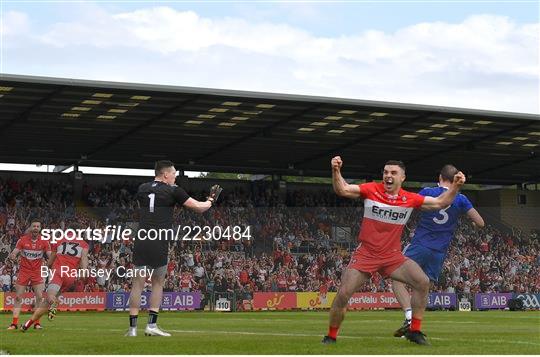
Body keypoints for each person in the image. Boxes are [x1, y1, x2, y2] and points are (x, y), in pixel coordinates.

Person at [323, 157, 465, 345]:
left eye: (393, 173)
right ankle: (331, 336)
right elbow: (342, 189)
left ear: (402, 177)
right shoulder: (371, 189)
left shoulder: (409, 198)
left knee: (422, 282)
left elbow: (440, 202)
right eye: (385, 172)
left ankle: (415, 330)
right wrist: (336, 171)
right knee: (343, 294)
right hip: (366, 254)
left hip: (392, 256)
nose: (388, 176)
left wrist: (455, 186)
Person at [126, 160, 221, 337]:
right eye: (174, 174)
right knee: (157, 283)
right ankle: (151, 326)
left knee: (137, 285)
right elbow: (199, 208)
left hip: (142, 238)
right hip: (159, 239)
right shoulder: (173, 190)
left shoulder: (143, 188)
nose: (175, 177)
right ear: (165, 174)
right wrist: (210, 200)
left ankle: (132, 329)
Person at [392, 164, 484, 337]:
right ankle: (415, 325)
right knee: (422, 288)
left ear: (440, 178)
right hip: (439, 252)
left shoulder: (428, 191)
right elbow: (480, 223)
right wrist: (471, 223)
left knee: (396, 278)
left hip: (420, 245)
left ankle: (409, 316)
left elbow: (408, 206)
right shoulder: (461, 198)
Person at [21, 225, 89, 331]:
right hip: (70, 276)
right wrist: (84, 271)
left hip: (58, 272)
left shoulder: (59, 240)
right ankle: (27, 324)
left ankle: (54, 302)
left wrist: (46, 267)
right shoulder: (84, 244)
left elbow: (51, 259)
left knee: (50, 297)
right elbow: (84, 259)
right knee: (46, 303)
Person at [7, 220, 51, 330]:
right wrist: (12, 256)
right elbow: (15, 252)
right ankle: (14, 323)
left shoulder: (44, 241)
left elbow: (49, 254)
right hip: (24, 271)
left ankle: (37, 323)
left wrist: (55, 259)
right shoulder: (22, 240)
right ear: (30, 228)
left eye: (38, 226)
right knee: (18, 297)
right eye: (34, 226)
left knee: (40, 297)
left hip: (37, 272)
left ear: (40, 229)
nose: (36, 228)